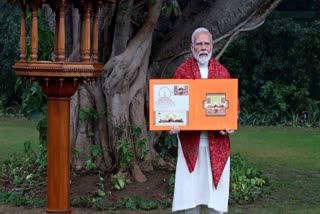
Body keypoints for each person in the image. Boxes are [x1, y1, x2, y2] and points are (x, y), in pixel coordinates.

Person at [170, 27, 237, 214]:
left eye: (206, 43)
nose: (203, 47)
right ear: (192, 47)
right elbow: (172, 106)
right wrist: (171, 123)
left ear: (212, 46)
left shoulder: (222, 72)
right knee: (190, 193)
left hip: (217, 143)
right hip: (190, 144)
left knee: (216, 196)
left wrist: (229, 125)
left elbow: (232, 106)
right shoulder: (182, 72)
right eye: (199, 44)